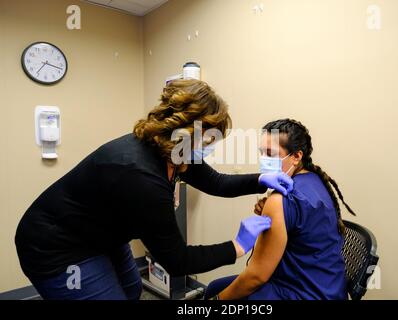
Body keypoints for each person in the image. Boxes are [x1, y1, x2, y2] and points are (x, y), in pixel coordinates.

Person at [14, 80, 293, 300]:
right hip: (56, 248)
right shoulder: (140, 174)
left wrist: (261, 179)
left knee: (132, 288)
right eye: (210, 137)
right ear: (186, 130)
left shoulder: (175, 150)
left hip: (100, 234)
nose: (213, 143)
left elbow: (216, 182)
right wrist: (238, 246)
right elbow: (176, 260)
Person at [205, 119, 355, 300]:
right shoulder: (315, 180)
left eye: (270, 153)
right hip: (330, 289)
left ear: (296, 156)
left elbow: (256, 276)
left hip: (302, 293)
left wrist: (218, 301)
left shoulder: (280, 199)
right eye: (262, 153)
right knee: (215, 286)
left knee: (220, 293)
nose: (264, 160)